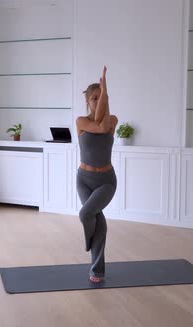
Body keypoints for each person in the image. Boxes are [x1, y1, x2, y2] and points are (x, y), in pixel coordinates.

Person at [75, 66, 118, 283]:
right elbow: (97, 125)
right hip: (84, 179)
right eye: (94, 97)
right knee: (97, 218)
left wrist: (104, 90)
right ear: (88, 102)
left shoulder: (113, 121)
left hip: (106, 181)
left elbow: (103, 125)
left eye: (101, 98)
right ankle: (97, 270)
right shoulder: (81, 122)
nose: (97, 101)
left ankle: (87, 243)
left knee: (86, 214)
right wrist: (104, 88)